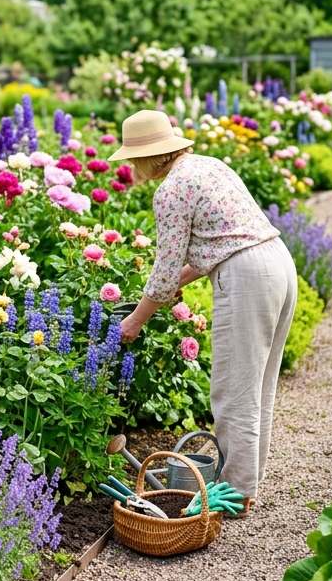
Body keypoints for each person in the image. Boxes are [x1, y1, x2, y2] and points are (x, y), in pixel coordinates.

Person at [111, 109, 297, 514]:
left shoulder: (170, 190)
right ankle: (245, 486)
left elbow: (165, 270)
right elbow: (223, 240)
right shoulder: (209, 165)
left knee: (233, 392)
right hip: (279, 263)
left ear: (143, 157)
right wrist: (172, 284)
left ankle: (233, 496)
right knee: (259, 386)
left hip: (248, 277)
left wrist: (135, 320)